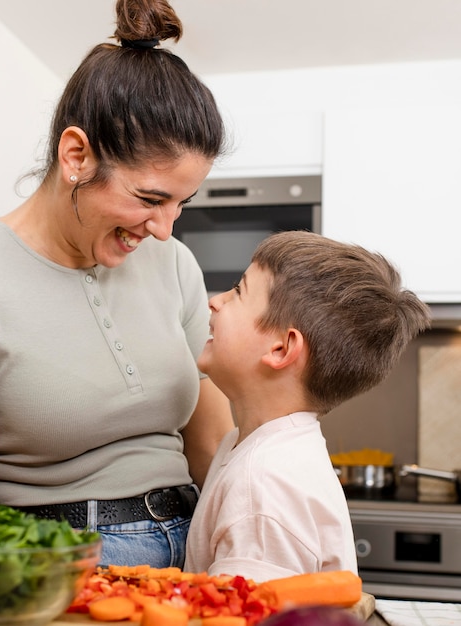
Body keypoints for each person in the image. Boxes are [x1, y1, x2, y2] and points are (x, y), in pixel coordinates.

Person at [0, 0, 234, 569]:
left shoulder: (173, 264)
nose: (165, 228)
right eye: (150, 199)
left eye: (181, 203)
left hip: (197, 550)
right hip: (61, 566)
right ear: (76, 155)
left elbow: (214, 448)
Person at [184, 230, 431, 581]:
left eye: (239, 292)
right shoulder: (259, 452)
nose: (215, 301)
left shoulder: (264, 485)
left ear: (281, 349)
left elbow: (245, 616)